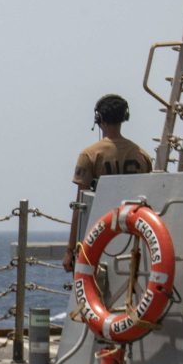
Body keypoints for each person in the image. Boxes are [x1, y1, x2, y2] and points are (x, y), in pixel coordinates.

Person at [62, 94, 153, 272]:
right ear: (124, 117)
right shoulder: (142, 155)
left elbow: (80, 206)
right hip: (134, 237)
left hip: (99, 236)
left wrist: (70, 250)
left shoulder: (90, 155)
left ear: (99, 119)